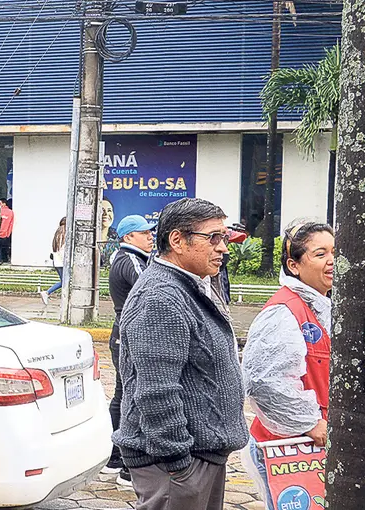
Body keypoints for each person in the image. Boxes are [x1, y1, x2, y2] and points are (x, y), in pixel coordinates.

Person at [113, 198, 246, 510]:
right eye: (213, 237)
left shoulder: (188, 285)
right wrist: (178, 463)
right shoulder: (161, 296)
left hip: (198, 456)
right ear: (177, 240)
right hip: (175, 463)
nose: (223, 247)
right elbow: (156, 391)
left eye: (224, 238)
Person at [240, 221, 334, 509]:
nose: (332, 261)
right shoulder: (284, 312)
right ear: (294, 265)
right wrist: (310, 423)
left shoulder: (327, 305)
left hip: (317, 444)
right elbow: (264, 383)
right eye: (320, 254)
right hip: (290, 449)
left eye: (335, 252)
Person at [102, 214, 157, 487]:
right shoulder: (131, 261)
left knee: (123, 395)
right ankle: (126, 464)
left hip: (124, 335)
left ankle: (113, 458)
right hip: (130, 336)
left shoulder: (132, 258)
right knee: (132, 398)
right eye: (144, 233)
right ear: (128, 237)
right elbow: (154, 292)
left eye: (151, 232)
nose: (150, 236)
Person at [40, 217, 67, 306]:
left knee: (64, 281)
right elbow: (64, 250)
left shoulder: (57, 233)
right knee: (65, 282)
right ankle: (47, 292)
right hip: (63, 262)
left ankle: (49, 293)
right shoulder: (66, 233)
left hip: (57, 261)